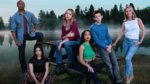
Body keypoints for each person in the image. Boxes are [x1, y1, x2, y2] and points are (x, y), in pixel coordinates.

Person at [112, 6, 146, 84]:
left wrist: (141, 40)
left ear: (132, 12)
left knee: (127, 58)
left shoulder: (138, 20)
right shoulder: (124, 22)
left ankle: (126, 77)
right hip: (125, 42)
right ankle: (132, 75)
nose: (128, 12)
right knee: (128, 60)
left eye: (129, 11)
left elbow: (143, 30)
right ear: (125, 13)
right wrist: (115, 42)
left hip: (134, 42)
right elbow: (121, 33)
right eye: (126, 11)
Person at [10, 0, 43, 73]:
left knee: (40, 34)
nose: (21, 5)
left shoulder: (30, 14)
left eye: (23, 4)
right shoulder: (14, 17)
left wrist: (34, 29)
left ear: (24, 5)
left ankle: (37, 49)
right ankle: (24, 70)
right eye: (20, 4)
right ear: (17, 5)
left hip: (29, 34)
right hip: (20, 36)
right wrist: (16, 40)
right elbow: (13, 30)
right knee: (21, 53)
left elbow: (36, 22)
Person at [90, 10, 122, 84]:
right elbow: (96, 40)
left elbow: (108, 37)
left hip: (109, 46)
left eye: (99, 16)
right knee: (108, 64)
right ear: (94, 18)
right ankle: (113, 80)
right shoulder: (92, 27)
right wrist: (106, 47)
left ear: (102, 16)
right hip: (101, 47)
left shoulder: (104, 26)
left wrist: (110, 45)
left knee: (115, 62)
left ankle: (118, 79)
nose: (98, 18)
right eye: (96, 17)